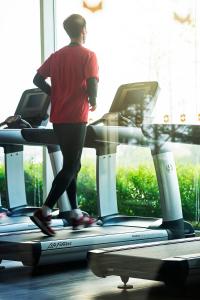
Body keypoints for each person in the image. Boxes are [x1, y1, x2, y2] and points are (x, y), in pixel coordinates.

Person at [31, 14, 99, 236]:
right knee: (71, 165)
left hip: (59, 117)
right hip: (76, 116)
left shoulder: (57, 55)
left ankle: (76, 213)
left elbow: (37, 79)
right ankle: (45, 210)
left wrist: (54, 94)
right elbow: (91, 82)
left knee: (72, 165)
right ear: (84, 30)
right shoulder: (89, 55)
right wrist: (94, 100)